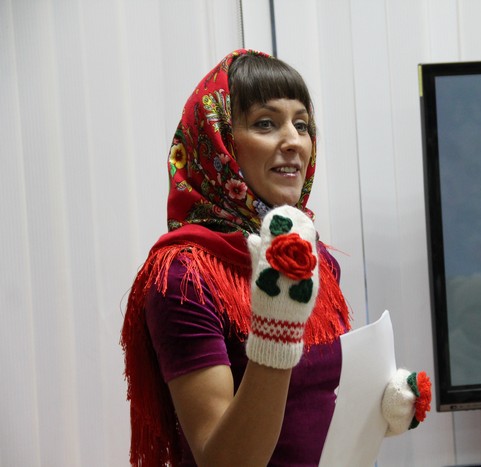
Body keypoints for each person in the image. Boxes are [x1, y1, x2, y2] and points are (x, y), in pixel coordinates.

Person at [121, 49, 431, 467]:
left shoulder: (305, 253)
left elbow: (310, 401)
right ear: (219, 140)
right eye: (265, 123)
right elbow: (223, 461)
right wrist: (275, 336)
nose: (294, 142)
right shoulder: (184, 276)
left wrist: (376, 407)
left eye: (301, 125)